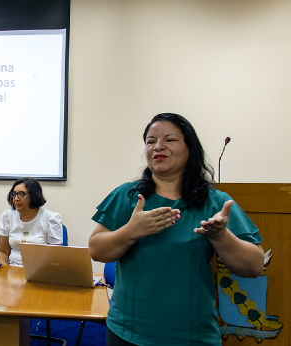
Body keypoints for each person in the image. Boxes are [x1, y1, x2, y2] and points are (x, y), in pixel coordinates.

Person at [88, 113, 264, 346]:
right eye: (150, 141)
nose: (158, 146)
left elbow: (254, 266)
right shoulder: (129, 196)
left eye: (169, 139)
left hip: (192, 335)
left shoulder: (214, 202)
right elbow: (96, 250)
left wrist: (221, 236)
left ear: (190, 148)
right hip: (128, 331)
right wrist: (132, 230)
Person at [0, 178, 63, 266]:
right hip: (11, 270)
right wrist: (5, 269)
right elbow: (2, 251)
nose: (16, 198)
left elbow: (55, 257)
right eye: (14, 194)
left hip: (39, 271)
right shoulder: (8, 216)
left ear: (33, 196)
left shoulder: (50, 218)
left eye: (21, 194)